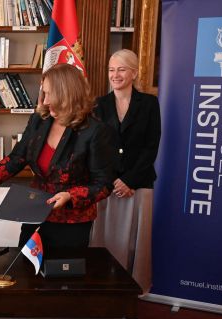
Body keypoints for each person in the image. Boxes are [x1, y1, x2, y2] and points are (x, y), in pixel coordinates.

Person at [0, 63, 114, 319]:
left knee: (62, 288)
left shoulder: (95, 131)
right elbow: (16, 160)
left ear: (65, 92)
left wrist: (71, 195)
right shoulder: (39, 120)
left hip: (72, 221)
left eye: (48, 92)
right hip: (35, 214)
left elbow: (103, 184)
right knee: (25, 283)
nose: (43, 98)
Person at [90, 49, 161, 294]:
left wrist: (128, 180)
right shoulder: (98, 104)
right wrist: (113, 180)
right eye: (111, 70)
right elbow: (95, 148)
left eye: (121, 69)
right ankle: (102, 288)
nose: (115, 75)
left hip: (139, 183)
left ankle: (133, 290)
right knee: (106, 239)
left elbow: (151, 146)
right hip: (107, 185)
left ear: (134, 73)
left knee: (135, 243)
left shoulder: (149, 103)